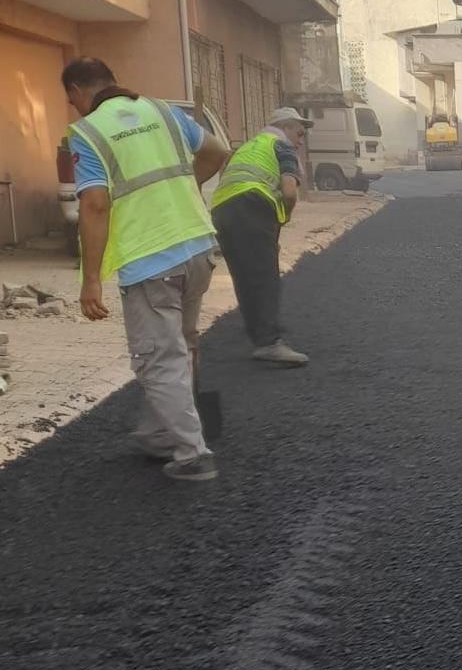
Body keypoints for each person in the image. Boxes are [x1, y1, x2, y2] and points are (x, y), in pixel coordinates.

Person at [64, 57, 229, 482]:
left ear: (78, 93)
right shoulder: (161, 110)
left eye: (71, 100)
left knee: (159, 359)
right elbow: (217, 152)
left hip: (150, 259)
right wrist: (183, 190)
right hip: (196, 246)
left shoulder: (88, 132)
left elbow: (95, 205)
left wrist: (91, 280)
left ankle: (193, 454)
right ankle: (162, 435)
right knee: (181, 344)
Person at [211, 109, 311, 367]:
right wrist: (284, 216)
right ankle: (269, 342)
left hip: (222, 210)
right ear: (286, 128)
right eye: (299, 133)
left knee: (244, 276)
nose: (300, 141)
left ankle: (257, 332)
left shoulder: (249, 146)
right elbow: (289, 192)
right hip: (251, 204)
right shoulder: (282, 146)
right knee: (265, 276)